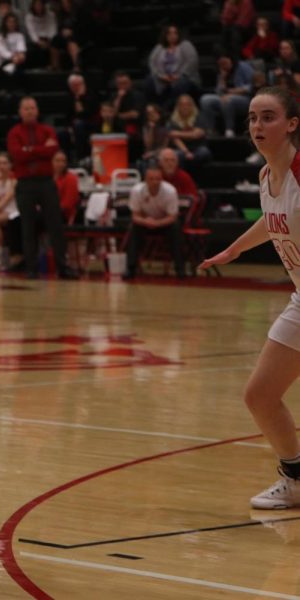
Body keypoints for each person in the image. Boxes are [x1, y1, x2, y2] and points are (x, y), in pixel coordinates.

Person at [200, 85, 300, 509]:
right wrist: (235, 249)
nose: (257, 126)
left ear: (292, 124)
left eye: (268, 117)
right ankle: (295, 479)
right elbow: (273, 218)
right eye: (253, 118)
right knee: (259, 395)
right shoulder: (265, 176)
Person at [7, 96, 75, 279]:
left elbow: (52, 150)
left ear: (37, 110)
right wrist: (39, 150)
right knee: (27, 226)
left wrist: (29, 150)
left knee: (56, 225)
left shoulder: (47, 130)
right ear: (20, 112)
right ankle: (31, 268)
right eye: (26, 108)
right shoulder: (14, 132)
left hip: (46, 181)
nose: (29, 111)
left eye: (32, 108)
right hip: (25, 184)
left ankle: (63, 266)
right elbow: (17, 155)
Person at [124, 163, 184, 279]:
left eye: (158, 179)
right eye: (152, 179)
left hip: (165, 222)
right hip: (145, 222)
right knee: (133, 227)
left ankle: (180, 269)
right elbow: (135, 216)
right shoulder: (136, 191)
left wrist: (158, 223)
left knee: (176, 227)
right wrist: (146, 221)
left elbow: (173, 216)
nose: (155, 182)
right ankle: (130, 268)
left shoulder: (170, 191)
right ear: (145, 179)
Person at [200, 51, 255, 137]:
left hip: (245, 98)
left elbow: (252, 86)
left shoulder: (243, 67)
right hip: (225, 97)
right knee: (205, 99)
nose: (223, 66)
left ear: (230, 60)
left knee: (228, 100)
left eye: (225, 63)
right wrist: (222, 78)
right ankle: (211, 129)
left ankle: (229, 130)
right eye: (221, 64)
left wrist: (232, 92)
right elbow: (218, 92)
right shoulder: (222, 71)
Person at [146, 25, 200, 111]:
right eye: (169, 33)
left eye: (175, 33)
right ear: (165, 35)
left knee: (181, 83)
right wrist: (160, 76)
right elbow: (152, 62)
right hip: (163, 78)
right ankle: (153, 108)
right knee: (149, 80)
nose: (172, 35)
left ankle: (165, 109)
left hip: (185, 78)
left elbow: (192, 61)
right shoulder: (159, 47)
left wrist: (179, 75)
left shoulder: (185, 45)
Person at [168, 94, 213, 174]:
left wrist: (178, 133)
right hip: (181, 149)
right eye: (182, 105)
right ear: (178, 106)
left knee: (204, 152)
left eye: (188, 104)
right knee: (177, 155)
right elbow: (174, 138)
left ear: (192, 105)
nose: (185, 107)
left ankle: (195, 177)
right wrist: (186, 152)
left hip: (197, 147)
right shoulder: (173, 120)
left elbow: (197, 134)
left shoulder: (199, 116)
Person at [59, 72, 99, 162]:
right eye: (73, 85)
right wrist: (69, 128)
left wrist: (79, 99)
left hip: (92, 124)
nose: (76, 87)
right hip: (75, 126)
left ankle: (80, 157)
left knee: (79, 125)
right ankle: (67, 160)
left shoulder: (91, 95)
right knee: (62, 134)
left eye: (78, 85)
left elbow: (86, 113)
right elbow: (67, 116)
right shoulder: (68, 97)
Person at [0, 13, 27, 90]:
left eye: (13, 22)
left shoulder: (19, 36)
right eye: (9, 22)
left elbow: (21, 49)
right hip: (2, 63)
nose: (12, 24)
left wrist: (20, 56)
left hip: (17, 61)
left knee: (19, 72)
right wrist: (12, 57)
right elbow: (0, 51)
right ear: (5, 23)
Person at [50, 0, 81, 71]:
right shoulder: (61, 14)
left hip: (77, 35)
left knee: (71, 40)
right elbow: (60, 27)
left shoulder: (79, 12)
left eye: (66, 3)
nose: (65, 5)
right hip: (64, 35)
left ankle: (77, 65)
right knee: (55, 40)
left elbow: (84, 27)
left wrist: (72, 31)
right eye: (63, 3)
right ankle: (55, 65)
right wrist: (63, 32)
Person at [24, 0, 56, 68]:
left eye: (40, 4)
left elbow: (52, 28)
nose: (38, 7)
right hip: (36, 39)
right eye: (36, 5)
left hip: (48, 38)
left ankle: (53, 66)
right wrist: (38, 42)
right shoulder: (29, 17)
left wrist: (50, 40)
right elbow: (31, 31)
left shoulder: (50, 15)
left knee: (54, 45)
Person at [139, 103, 169, 172]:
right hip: (149, 153)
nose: (151, 115)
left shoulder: (166, 125)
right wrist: (151, 129)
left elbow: (165, 146)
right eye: (149, 113)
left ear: (158, 113)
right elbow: (148, 145)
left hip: (163, 152)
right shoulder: (146, 127)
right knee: (149, 160)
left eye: (153, 112)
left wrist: (153, 153)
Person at [53, 150, 80, 223]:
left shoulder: (71, 178)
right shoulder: (47, 178)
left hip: (63, 214)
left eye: (63, 161)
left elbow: (68, 204)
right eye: (57, 161)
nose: (61, 164)